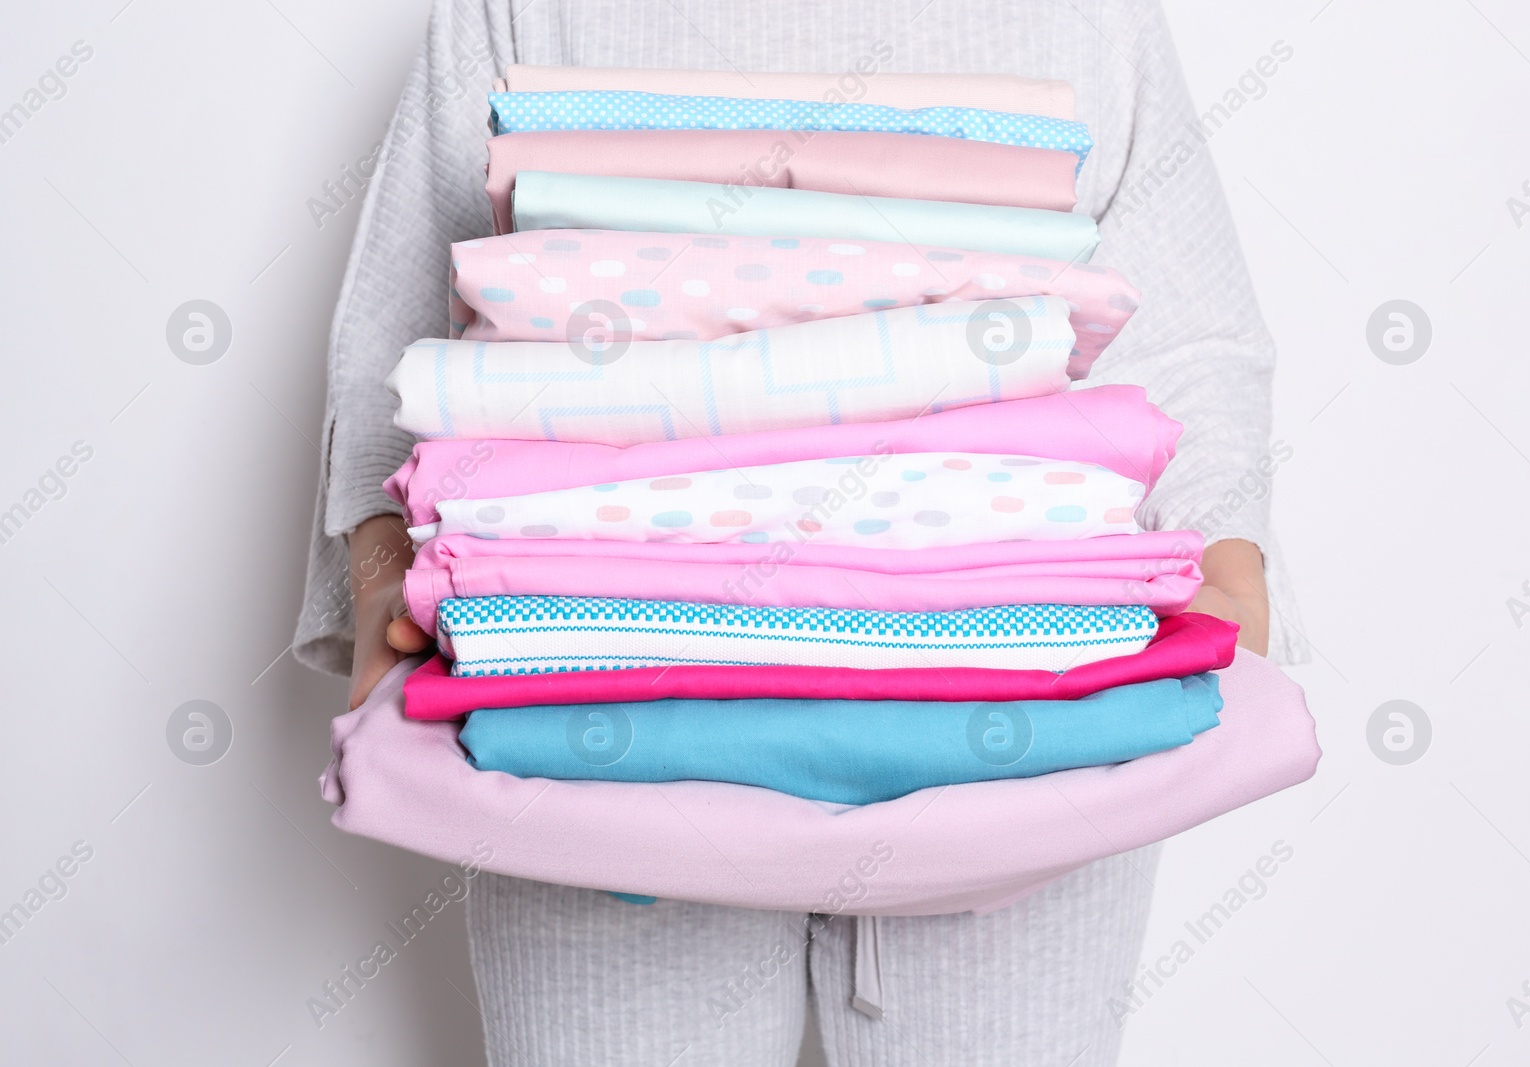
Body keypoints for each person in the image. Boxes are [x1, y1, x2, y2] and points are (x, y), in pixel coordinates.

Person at [293, 1, 1306, 1062]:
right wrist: (382, 577)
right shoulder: (519, 10)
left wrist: (1224, 571)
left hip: (1031, 739)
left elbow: (1190, 337)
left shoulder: (1080, 19)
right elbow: (399, 331)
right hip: (590, 732)